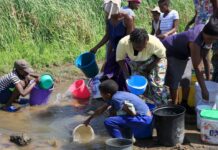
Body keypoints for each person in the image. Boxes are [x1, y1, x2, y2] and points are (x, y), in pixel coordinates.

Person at [162, 16, 218, 112]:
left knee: (186, 79)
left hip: (185, 53)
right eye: (209, 38)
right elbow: (197, 67)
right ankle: (175, 107)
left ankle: (184, 104)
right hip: (172, 50)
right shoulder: (195, 40)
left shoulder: (207, 32)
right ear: (204, 33)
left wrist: (208, 81)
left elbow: (205, 58)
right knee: (174, 81)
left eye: (214, 39)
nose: (210, 41)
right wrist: (204, 90)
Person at [84, 79, 153, 140]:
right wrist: (89, 119)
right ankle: (126, 136)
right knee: (113, 114)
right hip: (147, 117)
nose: (101, 95)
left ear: (107, 94)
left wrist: (113, 116)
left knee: (109, 121)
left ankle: (119, 142)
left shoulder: (116, 99)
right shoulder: (116, 95)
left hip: (144, 119)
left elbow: (129, 113)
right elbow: (101, 109)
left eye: (101, 93)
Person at [90, 0, 134, 90]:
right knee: (108, 70)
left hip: (125, 50)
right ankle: (110, 92)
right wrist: (96, 47)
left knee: (123, 74)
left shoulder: (127, 19)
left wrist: (119, 54)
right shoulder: (109, 19)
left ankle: (125, 93)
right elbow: (108, 36)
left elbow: (128, 39)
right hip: (115, 49)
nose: (111, 15)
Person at [116, 28, 168, 104]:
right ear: (131, 43)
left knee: (156, 84)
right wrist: (127, 75)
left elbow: (161, 56)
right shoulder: (123, 43)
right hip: (137, 61)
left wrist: (150, 67)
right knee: (138, 86)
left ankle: (161, 105)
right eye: (138, 47)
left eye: (144, 46)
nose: (142, 49)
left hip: (155, 59)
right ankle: (146, 105)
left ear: (147, 40)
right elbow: (120, 59)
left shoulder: (154, 42)